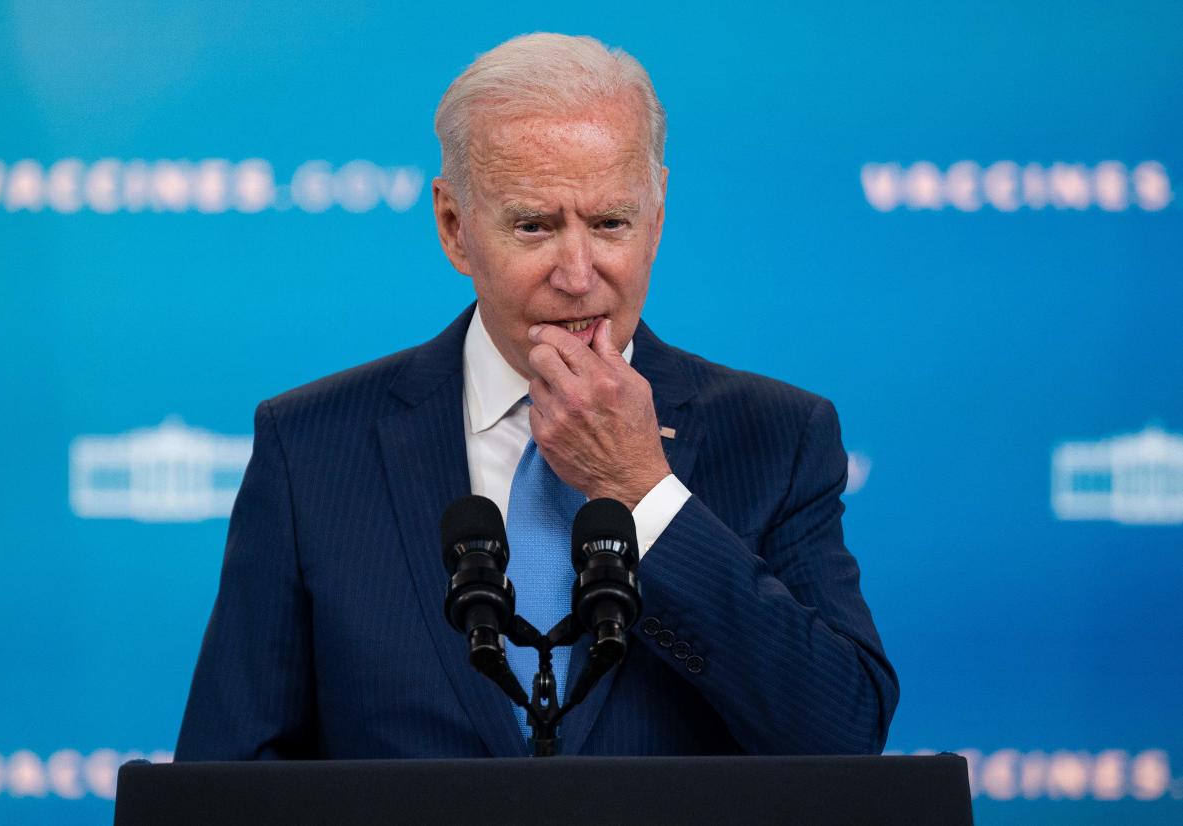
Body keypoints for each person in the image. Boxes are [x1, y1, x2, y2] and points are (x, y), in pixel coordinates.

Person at [176, 33, 897, 760]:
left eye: (610, 222)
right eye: (534, 226)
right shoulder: (311, 448)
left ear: (656, 216)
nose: (578, 274)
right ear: (454, 228)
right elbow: (225, 781)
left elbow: (841, 733)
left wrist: (640, 489)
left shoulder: (778, 437)